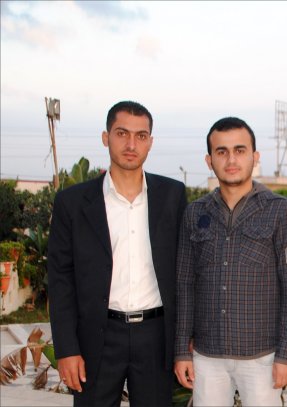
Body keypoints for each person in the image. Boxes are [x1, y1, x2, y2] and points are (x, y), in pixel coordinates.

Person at [47, 101, 187, 406]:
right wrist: (67, 349)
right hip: (97, 336)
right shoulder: (72, 203)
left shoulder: (173, 196)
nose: (131, 144)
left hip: (155, 336)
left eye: (141, 136)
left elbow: (185, 273)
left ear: (150, 142)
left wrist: (185, 344)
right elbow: (60, 280)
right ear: (105, 137)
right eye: (122, 133)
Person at [173, 117, 287, 406]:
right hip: (207, 357)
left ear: (255, 157)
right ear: (209, 160)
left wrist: (286, 354)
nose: (231, 160)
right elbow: (184, 284)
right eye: (222, 152)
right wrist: (182, 350)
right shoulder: (195, 213)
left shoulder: (280, 211)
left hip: (262, 358)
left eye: (240, 150)